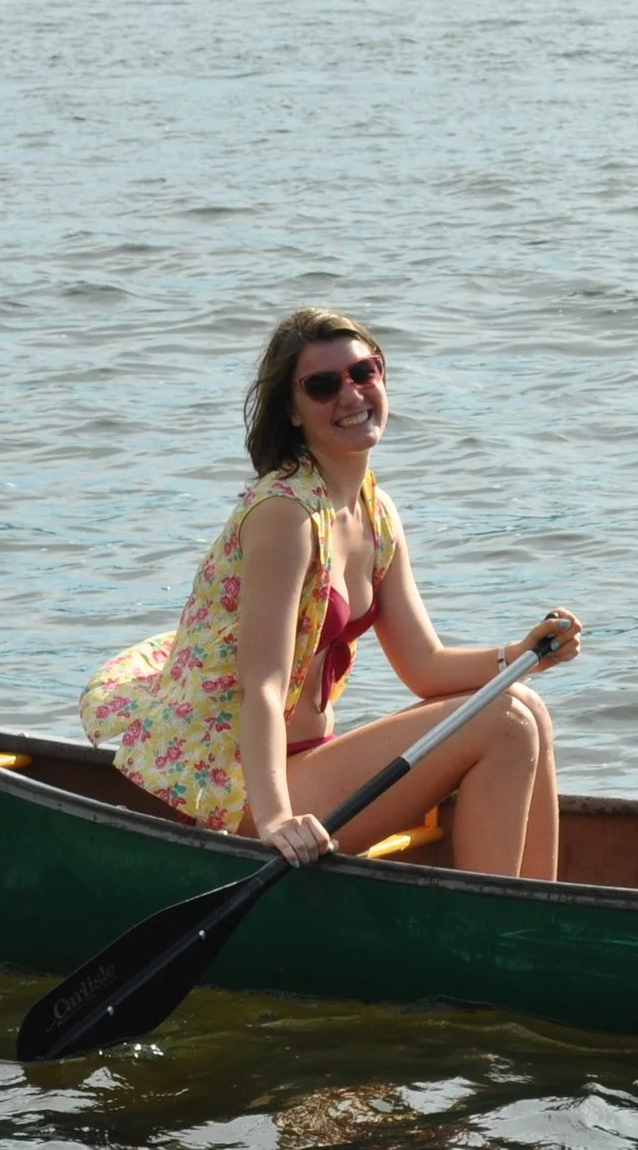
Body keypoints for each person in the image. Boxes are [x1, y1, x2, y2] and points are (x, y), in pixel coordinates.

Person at [82, 308, 582, 878]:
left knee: (527, 706)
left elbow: (425, 665)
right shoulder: (284, 516)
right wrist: (276, 821)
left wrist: (522, 656)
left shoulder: (375, 510)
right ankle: (497, 932)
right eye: (322, 386)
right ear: (292, 411)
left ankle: (536, 914)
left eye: (363, 373)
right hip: (245, 787)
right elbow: (262, 684)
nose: (350, 396)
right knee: (505, 723)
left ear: (382, 376)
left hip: (312, 762)